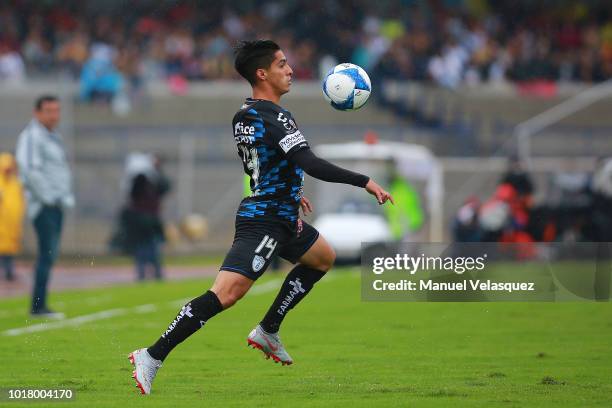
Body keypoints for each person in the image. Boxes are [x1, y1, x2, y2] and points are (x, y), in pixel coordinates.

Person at [128, 40, 394, 395]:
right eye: (282, 64)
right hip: (265, 219)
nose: (290, 70)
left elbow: (265, 162)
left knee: (322, 258)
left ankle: (268, 329)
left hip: (282, 214)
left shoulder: (247, 113)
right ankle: (151, 355)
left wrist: (290, 189)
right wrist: (363, 180)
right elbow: (310, 163)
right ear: (262, 73)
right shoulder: (274, 115)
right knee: (226, 294)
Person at [15, 95, 74, 318]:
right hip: (43, 205)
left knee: (49, 255)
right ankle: (38, 307)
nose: (54, 115)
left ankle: (40, 304)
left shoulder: (52, 136)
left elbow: (57, 172)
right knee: (46, 254)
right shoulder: (32, 136)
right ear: (37, 113)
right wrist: (49, 197)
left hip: (55, 202)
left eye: (56, 110)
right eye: (48, 111)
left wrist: (63, 195)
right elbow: (30, 170)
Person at [0, 153, 25, 281]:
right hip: (2, 223)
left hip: (13, 223)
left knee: (9, 249)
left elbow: (20, 201)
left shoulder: (16, 183)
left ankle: (9, 271)